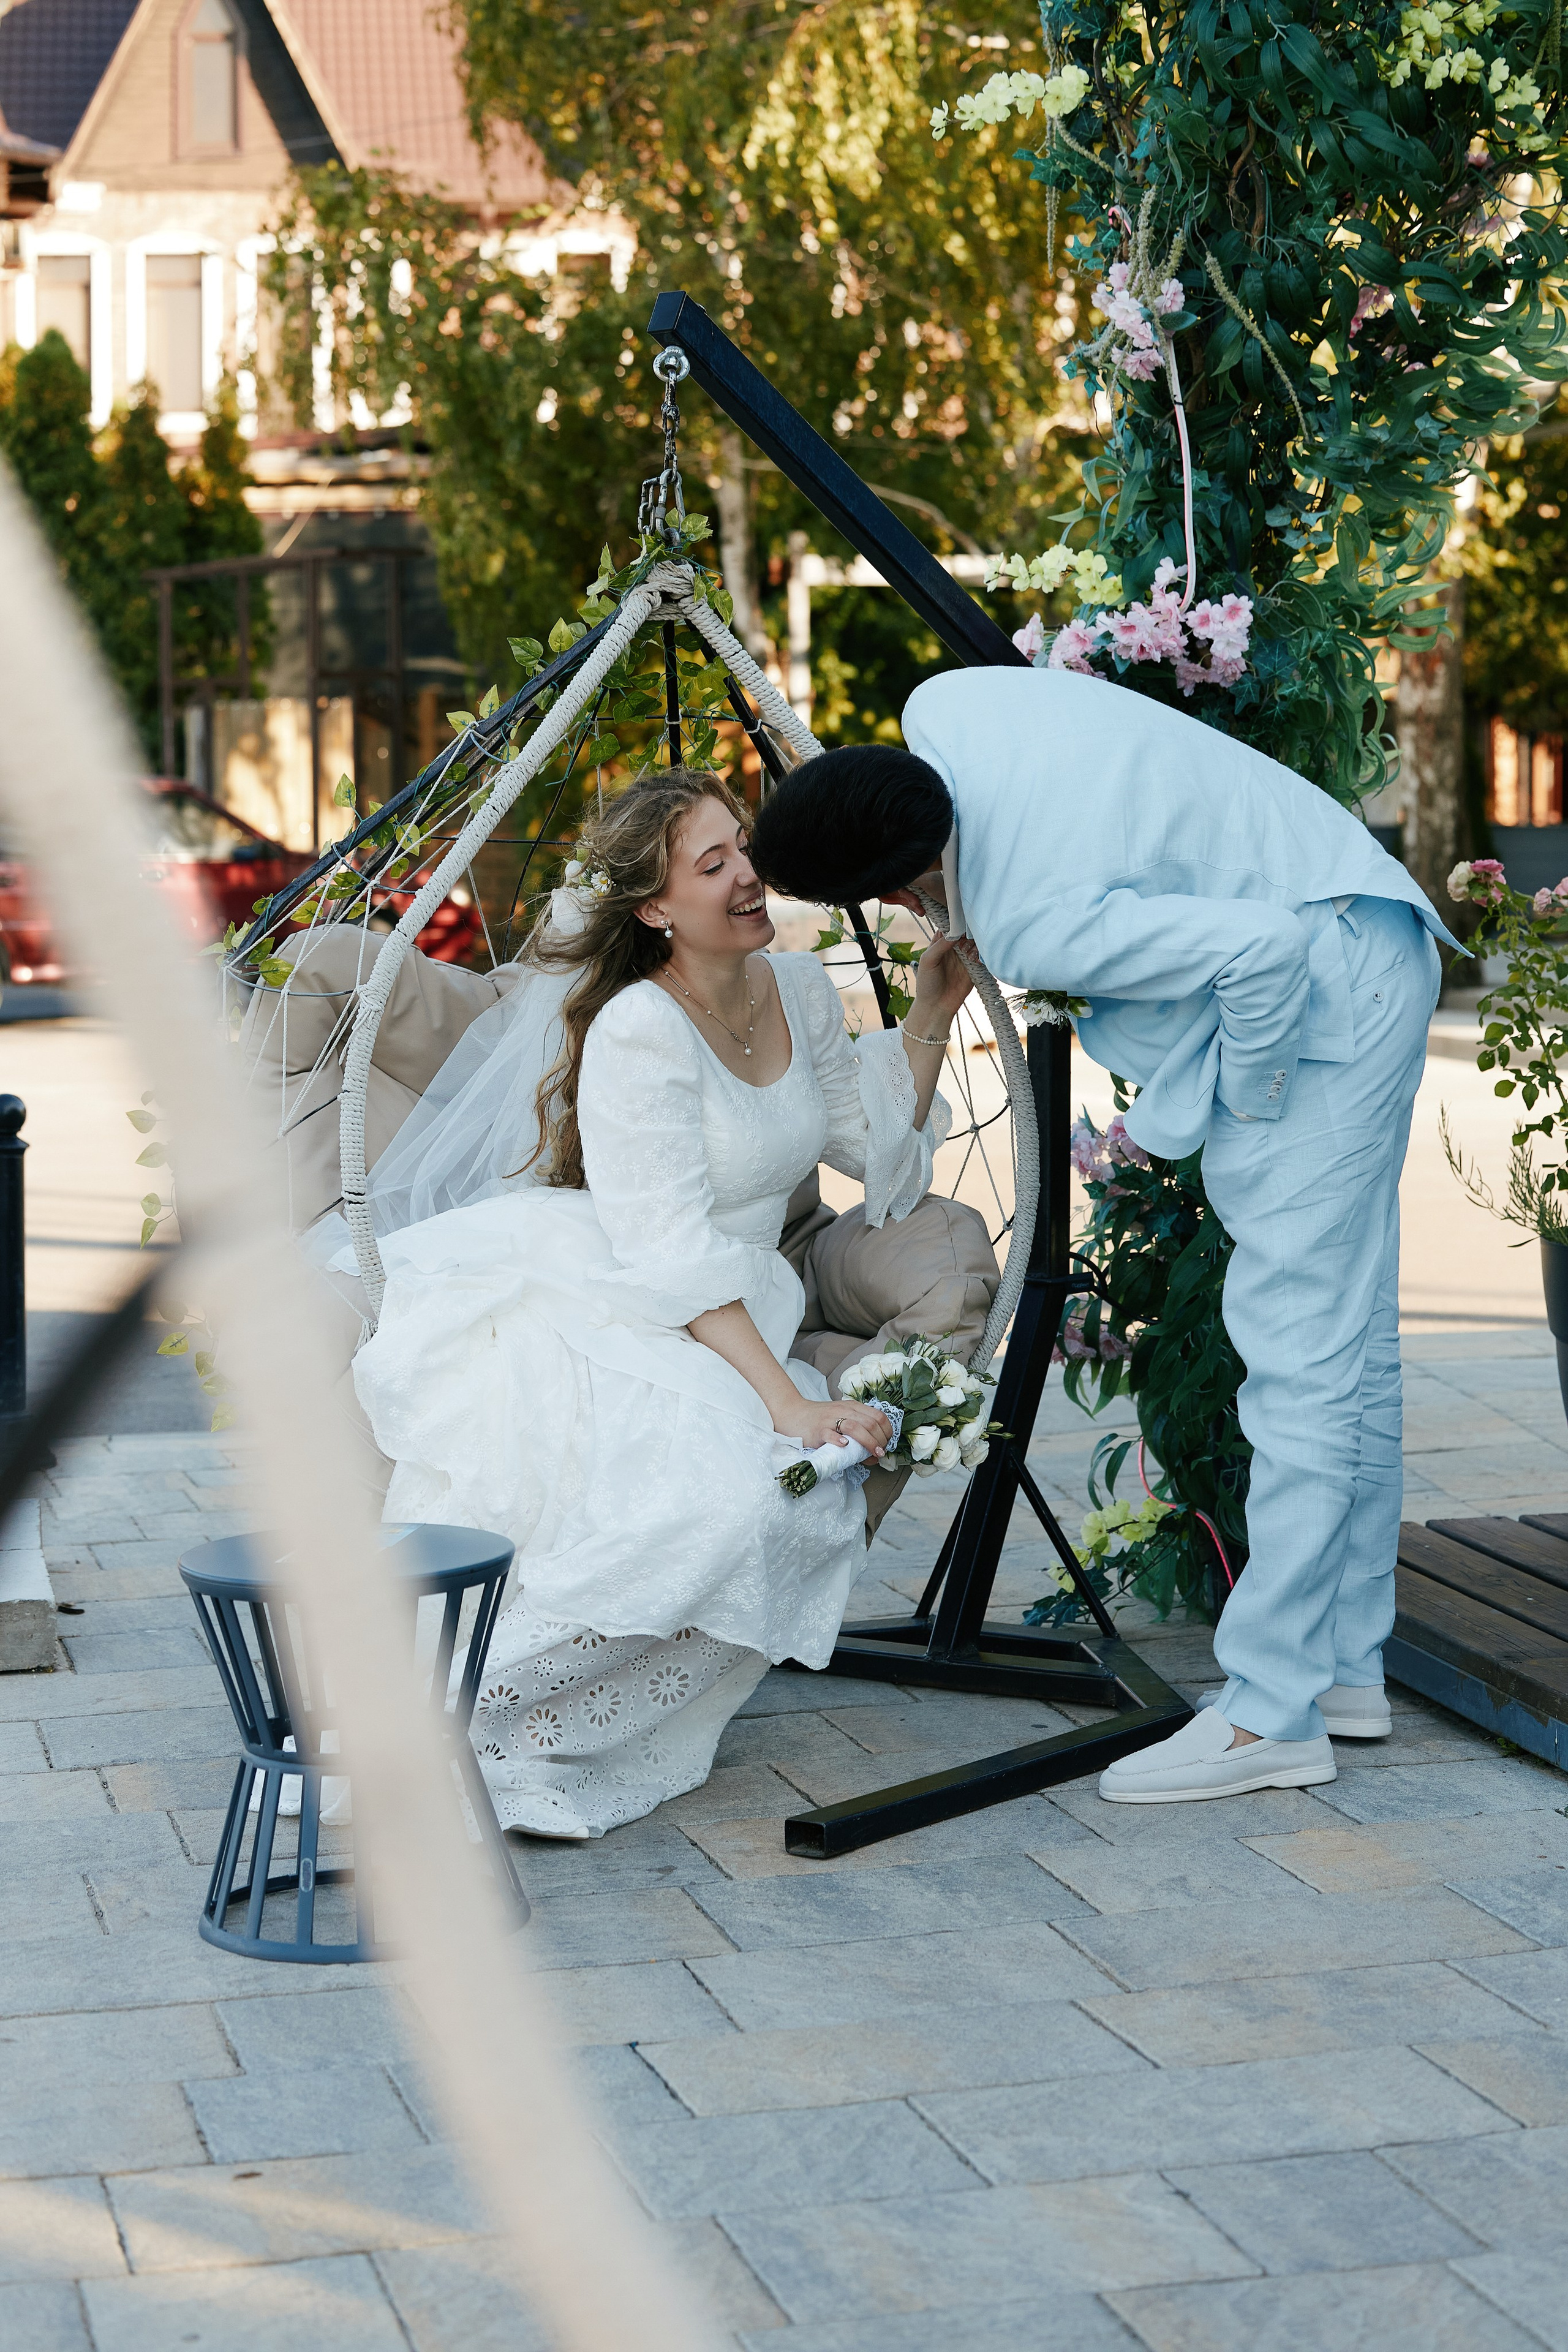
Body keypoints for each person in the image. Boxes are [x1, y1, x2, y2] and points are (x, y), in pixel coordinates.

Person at [749, 665, 1460, 1806]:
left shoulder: (1030, 919)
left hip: (1320, 1001)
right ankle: (1340, 1672)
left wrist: (1260, 1115)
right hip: (1365, 913)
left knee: (1299, 1366)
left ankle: (1271, 1714)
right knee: (1351, 1348)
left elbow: (1259, 958)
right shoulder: (950, 708)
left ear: (895, 887)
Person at [340, 766, 973, 1839]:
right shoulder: (638, 1028)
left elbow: (880, 1158)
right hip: (623, 1295)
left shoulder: (802, 988)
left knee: (785, 1509)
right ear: (653, 908)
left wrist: (929, 1012)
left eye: (743, 848)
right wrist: (791, 1404)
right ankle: (417, 1722)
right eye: (710, 862)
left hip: (739, 1299)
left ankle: (538, 1733)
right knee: (722, 1504)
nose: (745, 876)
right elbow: (670, 1251)